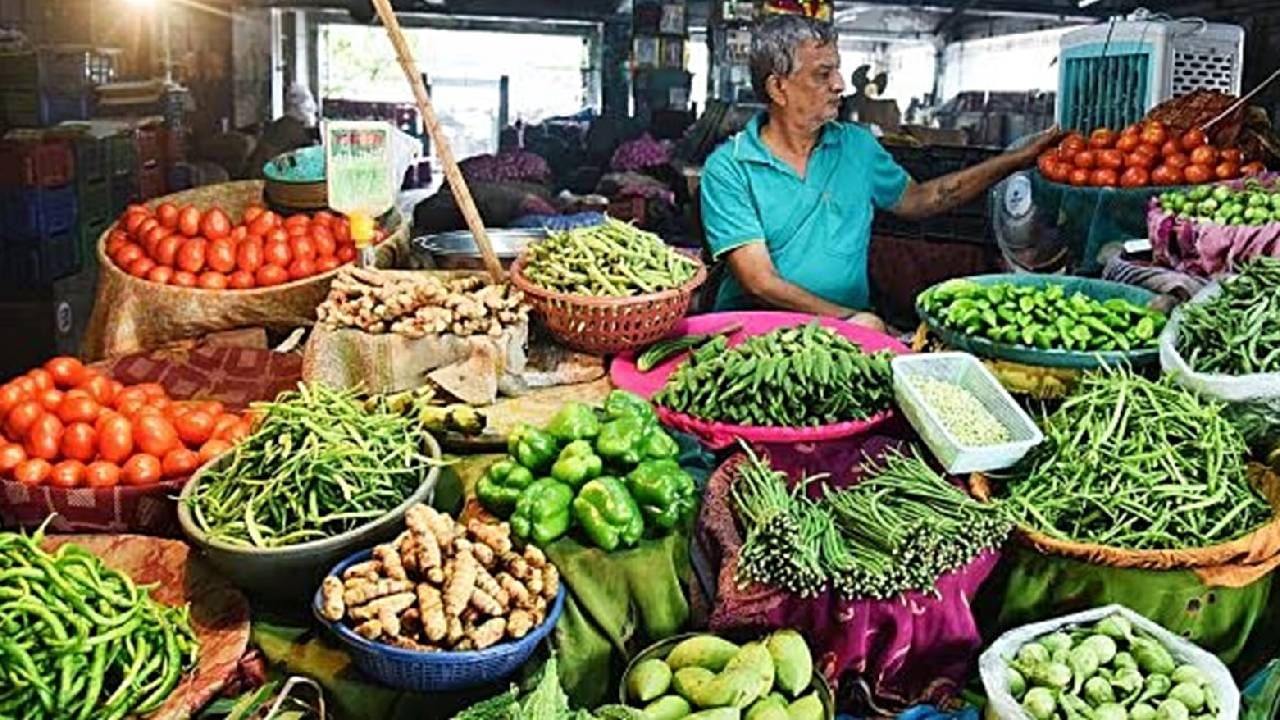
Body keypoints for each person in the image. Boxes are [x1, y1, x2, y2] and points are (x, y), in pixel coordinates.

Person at [699, 15, 1061, 329]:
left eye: (837, 69)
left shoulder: (858, 147)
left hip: (845, 335)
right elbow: (759, 281)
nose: (840, 84)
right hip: (751, 334)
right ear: (778, 87)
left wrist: (1014, 159)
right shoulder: (729, 168)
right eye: (823, 74)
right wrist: (848, 319)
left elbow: (920, 200)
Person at [245, 83, 319, 179]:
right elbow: (300, 160)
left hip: (264, 174)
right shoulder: (293, 128)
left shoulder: (283, 124)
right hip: (269, 177)